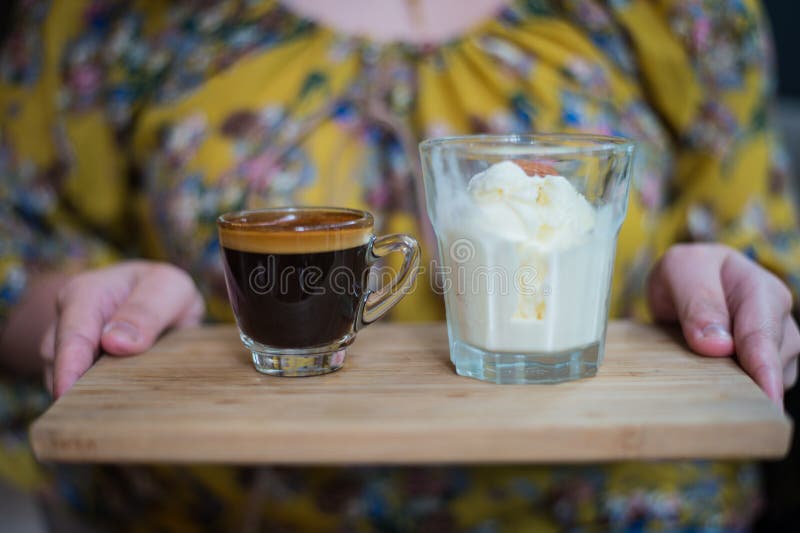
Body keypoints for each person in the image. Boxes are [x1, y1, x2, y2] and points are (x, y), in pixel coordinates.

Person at [0, 0, 798, 530]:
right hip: (218, 507)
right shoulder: (116, 19)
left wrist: (706, 287)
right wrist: (99, 308)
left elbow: (749, 241)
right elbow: (17, 248)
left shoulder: (684, 14)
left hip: (620, 500)